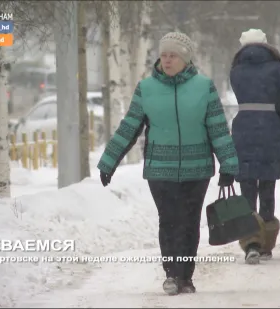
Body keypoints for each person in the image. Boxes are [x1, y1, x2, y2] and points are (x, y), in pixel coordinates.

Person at [97, 32, 239, 295]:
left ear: (185, 59)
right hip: (160, 169)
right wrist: (109, 161)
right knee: (169, 220)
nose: (167, 60)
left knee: (189, 221)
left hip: (197, 170)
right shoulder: (146, 89)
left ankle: (186, 276)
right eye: (164, 55)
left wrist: (228, 165)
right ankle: (172, 273)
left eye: (173, 55)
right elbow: (129, 127)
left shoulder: (204, 87)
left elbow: (218, 129)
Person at [229, 29, 280, 264]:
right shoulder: (277, 68)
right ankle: (266, 242)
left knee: (246, 184)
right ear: (266, 45)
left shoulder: (236, 70)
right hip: (270, 128)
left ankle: (250, 241)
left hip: (243, 127)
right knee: (267, 184)